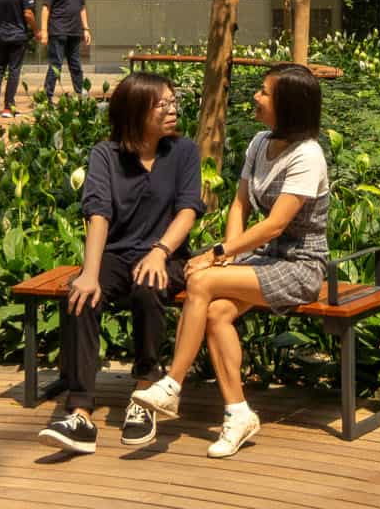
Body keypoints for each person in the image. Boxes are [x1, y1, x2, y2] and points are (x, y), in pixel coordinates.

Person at [132, 65, 329, 459]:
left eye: (265, 93)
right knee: (217, 312)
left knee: (201, 283)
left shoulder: (308, 156)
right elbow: (239, 204)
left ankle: (172, 384)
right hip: (262, 260)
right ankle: (238, 412)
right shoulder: (259, 143)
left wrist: (216, 256)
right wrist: (229, 253)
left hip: (300, 265)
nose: (256, 97)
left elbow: (275, 225)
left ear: (288, 105)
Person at [41, 75, 204, 456]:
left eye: (173, 100)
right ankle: (80, 412)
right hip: (117, 254)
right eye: (161, 104)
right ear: (135, 111)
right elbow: (98, 214)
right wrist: (89, 274)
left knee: (149, 289)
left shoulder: (184, 152)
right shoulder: (105, 155)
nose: (172, 109)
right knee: (81, 297)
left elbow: (187, 211)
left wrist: (161, 251)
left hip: (168, 255)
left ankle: (144, 393)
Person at [41, 0, 93, 99]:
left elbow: (82, 8)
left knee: (76, 65)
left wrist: (86, 29)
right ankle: (47, 98)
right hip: (58, 32)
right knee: (55, 65)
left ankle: (81, 95)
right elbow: (46, 8)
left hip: (75, 32)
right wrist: (44, 31)